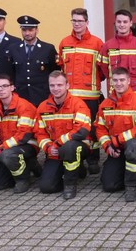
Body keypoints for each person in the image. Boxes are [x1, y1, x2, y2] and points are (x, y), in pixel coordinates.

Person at [58, 8, 106, 174]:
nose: (77, 24)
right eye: (74, 20)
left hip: (90, 96)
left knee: (91, 128)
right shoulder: (64, 43)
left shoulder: (97, 43)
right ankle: (75, 158)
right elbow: (61, 67)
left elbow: (102, 70)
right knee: (72, 129)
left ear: (87, 22)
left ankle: (93, 160)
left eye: (80, 21)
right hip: (70, 98)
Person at [95, 67, 136, 202]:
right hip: (117, 149)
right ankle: (129, 171)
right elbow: (100, 128)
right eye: (115, 80)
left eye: (122, 80)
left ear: (129, 81)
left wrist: (116, 140)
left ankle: (132, 186)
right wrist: (108, 145)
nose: (118, 83)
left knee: (133, 145)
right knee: (109, 185)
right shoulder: (105, 104)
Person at [34, 71, 92, 200]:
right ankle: (78, 169)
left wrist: (58, 143)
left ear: (67, 85)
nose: (56, 89)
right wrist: (49, 148)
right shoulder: (43, 107)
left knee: (70, 147)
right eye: (52, 85)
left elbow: (81, 130)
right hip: (54, 151)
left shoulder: (78, 104)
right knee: (47, 187)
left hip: (78, 147)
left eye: (59, 85)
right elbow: (40, 133)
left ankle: (70, 185)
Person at [0, 74, 41, 194]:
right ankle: (30, 164)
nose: (1, 89)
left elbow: (23, 135)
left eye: (4, 86)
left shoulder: (24, 106)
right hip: (6, 149)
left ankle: (22, 179)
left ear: (12, 88)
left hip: (27, 145)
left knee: (7, 156)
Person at [99, 9, 136, 97]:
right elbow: (104, 70)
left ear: (131, 23)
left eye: (125, 22)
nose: (122, 25)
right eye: (119, 22)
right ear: (115, 23)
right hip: (116, 95)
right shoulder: (107, 46)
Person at [9, 15, 58, 107]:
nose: (27, 33)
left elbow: (54, 72)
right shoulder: (13, 49)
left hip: (42, 96)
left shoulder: (48, 48)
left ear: (37, 30)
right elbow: (11, 72)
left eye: (30, 30)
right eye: (24, 30)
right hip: (20, 96)